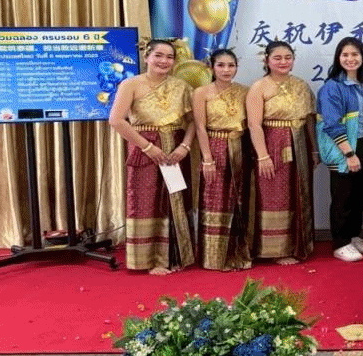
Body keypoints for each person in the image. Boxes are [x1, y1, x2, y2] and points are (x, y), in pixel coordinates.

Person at [108, 39, 195, 274]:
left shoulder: (182, 87)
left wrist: (185, 147)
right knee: (145, 201)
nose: (164, 61)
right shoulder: (131, 84)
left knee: (174, 200)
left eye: (169, 57)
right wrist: (148, 147)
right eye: (159, 55)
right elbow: (116, 120)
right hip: (143, 148)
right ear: (147, 56)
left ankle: (175, 257)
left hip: (175, 151)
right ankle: (148, 260)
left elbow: (192, 122)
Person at [246, 40, 316, 264]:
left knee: (299, 192)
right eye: (277, 58)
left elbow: (309, 120)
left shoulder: (302, 85)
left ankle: (298, 244)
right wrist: (263, 155)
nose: (283, 62)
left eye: (288, 57)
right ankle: (275, 250)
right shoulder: (259, 87)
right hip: (273, 145)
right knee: (274, 194)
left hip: (300, 144)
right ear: (267, 60)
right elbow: (254, 125)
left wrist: (314, 150)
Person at [191, 48, 251, 271]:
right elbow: (200, 127)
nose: (226, 70)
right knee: (215, 199)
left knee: (240, 199)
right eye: (221, 65)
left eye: (231, 65)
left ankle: (238, 253)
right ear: (212, 67)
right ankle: (213, 257)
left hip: (241, 147)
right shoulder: (201, 92)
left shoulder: (245, 91)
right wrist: (207, 158)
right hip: (215, 145)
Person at [318, 37, 363, 262]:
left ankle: (353, 235)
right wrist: (349, 153)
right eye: (345, 55)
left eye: (355, 54)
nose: (350, 59)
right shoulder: (332, 87)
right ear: (338, 58)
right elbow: (332, 123)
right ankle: (340, 243)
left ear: (362, 57)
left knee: (360, 194)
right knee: (343, 196)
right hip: (344, 146)